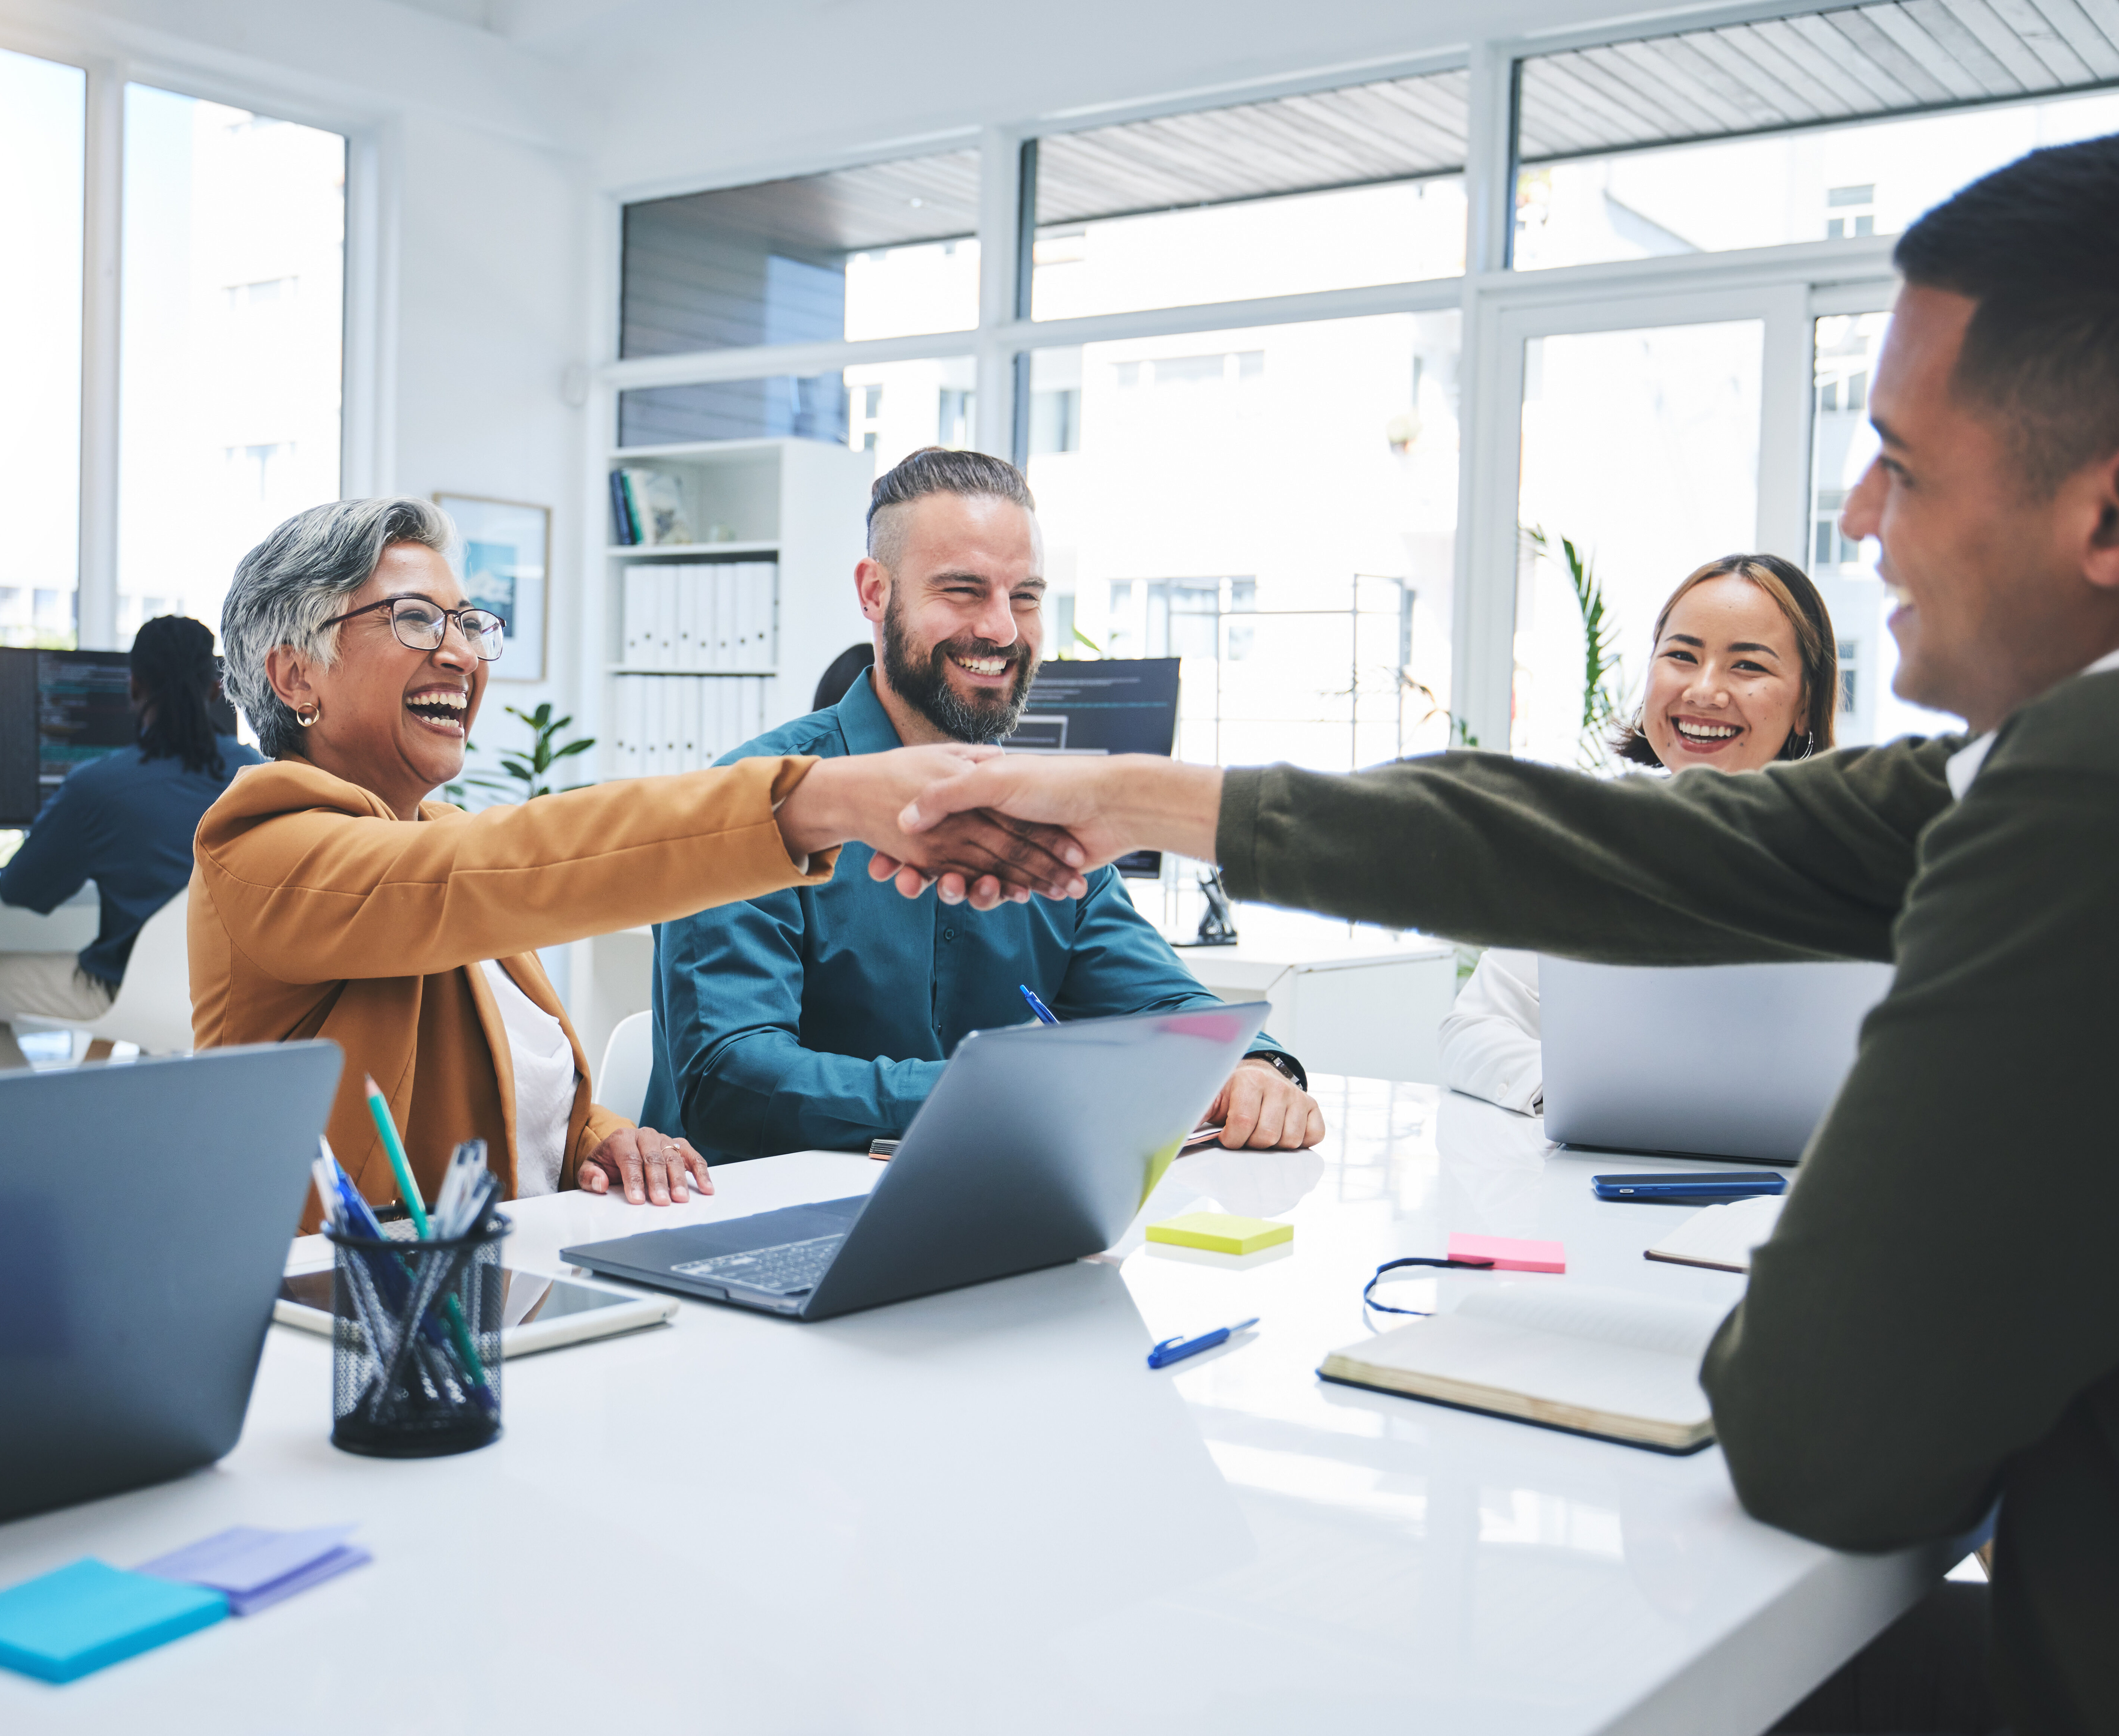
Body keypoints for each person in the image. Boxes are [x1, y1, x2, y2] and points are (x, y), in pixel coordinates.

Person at [889, 136, 2119, 1732]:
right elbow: (1630, 846)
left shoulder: (2080, 793)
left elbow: (1823, 1435)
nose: (1858, 507)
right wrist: (1139, 795)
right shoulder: (2023, 760)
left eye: (1904, 461)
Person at [193, 495, 1088, 1228]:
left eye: (467, 621)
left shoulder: (437, 834)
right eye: (416, 619)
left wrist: (600, 1134)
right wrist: (814, 801)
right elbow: (486, 872)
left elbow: (505, 1082)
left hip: (510, 1283)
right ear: (294, 677)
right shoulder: (265, 839)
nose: (462, 653)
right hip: (359, 1324)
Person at [647, 448, 1319, 1162]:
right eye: (964, 590)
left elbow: (1162, 1004)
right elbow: (729, 1079)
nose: (1002, 629)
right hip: (753, 1226)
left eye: (1024, 595)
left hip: (982, 1213)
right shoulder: (762, 805)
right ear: (874, 593)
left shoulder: (1045, 812)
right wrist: (988, 1095)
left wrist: (1254, 1066)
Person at [1440, 553, 1840, 1114]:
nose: (1704, 691)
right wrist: (1572, 1090)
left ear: (1803, 705)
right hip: (1595, 1186)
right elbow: (1472, 1029)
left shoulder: (1861, 872)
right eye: (1681, 656)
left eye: (1747, 666)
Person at [0, 615, 264, 1072]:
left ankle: (31, 1121)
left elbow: (21, 890)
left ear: (135, 687)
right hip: (233, 999)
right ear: (214, 689)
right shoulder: (260, 777)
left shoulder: (100, 785)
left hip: (125, 992)